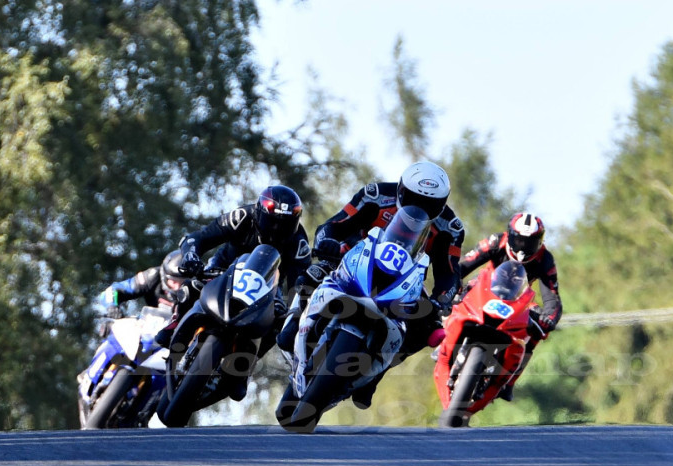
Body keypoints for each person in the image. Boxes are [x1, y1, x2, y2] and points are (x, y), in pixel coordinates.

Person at [299, 161, 464, 408]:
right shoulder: (375, 196)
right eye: (413, 199)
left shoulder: (450, 228)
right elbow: (333, 225)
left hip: (404, 279)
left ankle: (374, 375)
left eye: (429, 204)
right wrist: (327, 243)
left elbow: (449, 273)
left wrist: (441, 299)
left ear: (441, 204)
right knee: (309, 277)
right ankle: (294, 324)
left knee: (428, 328)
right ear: (400, 191)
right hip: (353, 259)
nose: (419, 208)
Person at [154, 184, 311, 395]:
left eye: (284, 225)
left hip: (266, 288)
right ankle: (175, 324)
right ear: (259, 213)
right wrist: (191, 256)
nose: (276, 229)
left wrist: (294, 310)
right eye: (272, 222)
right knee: (192, 286)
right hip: (223, 269)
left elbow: (299, 284)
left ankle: (244, 367)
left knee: (278, 323)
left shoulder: (299, 243)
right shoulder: (242, 216)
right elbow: (199, 237)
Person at [458, 211, 562, 401]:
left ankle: (510, 380)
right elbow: (463, 265)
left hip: (518, 299)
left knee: (537, 330)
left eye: (529, 242)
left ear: (539, 241)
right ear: (510, 235)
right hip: (484, 288)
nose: (523, 247)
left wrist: (549, 318)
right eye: (519, 240)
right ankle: (445, 338)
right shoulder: (496, 242)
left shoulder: (545, 259)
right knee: (463, 292)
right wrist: (450, 287)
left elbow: (552, 298)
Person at [97, 250, 193, 316]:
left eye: (182, 282)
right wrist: (111, 307)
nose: (177, 287)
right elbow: (112, 290)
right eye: (173, 281)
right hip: (151, 330)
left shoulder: (197, 288)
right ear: (165, 276)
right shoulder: (152, 276)